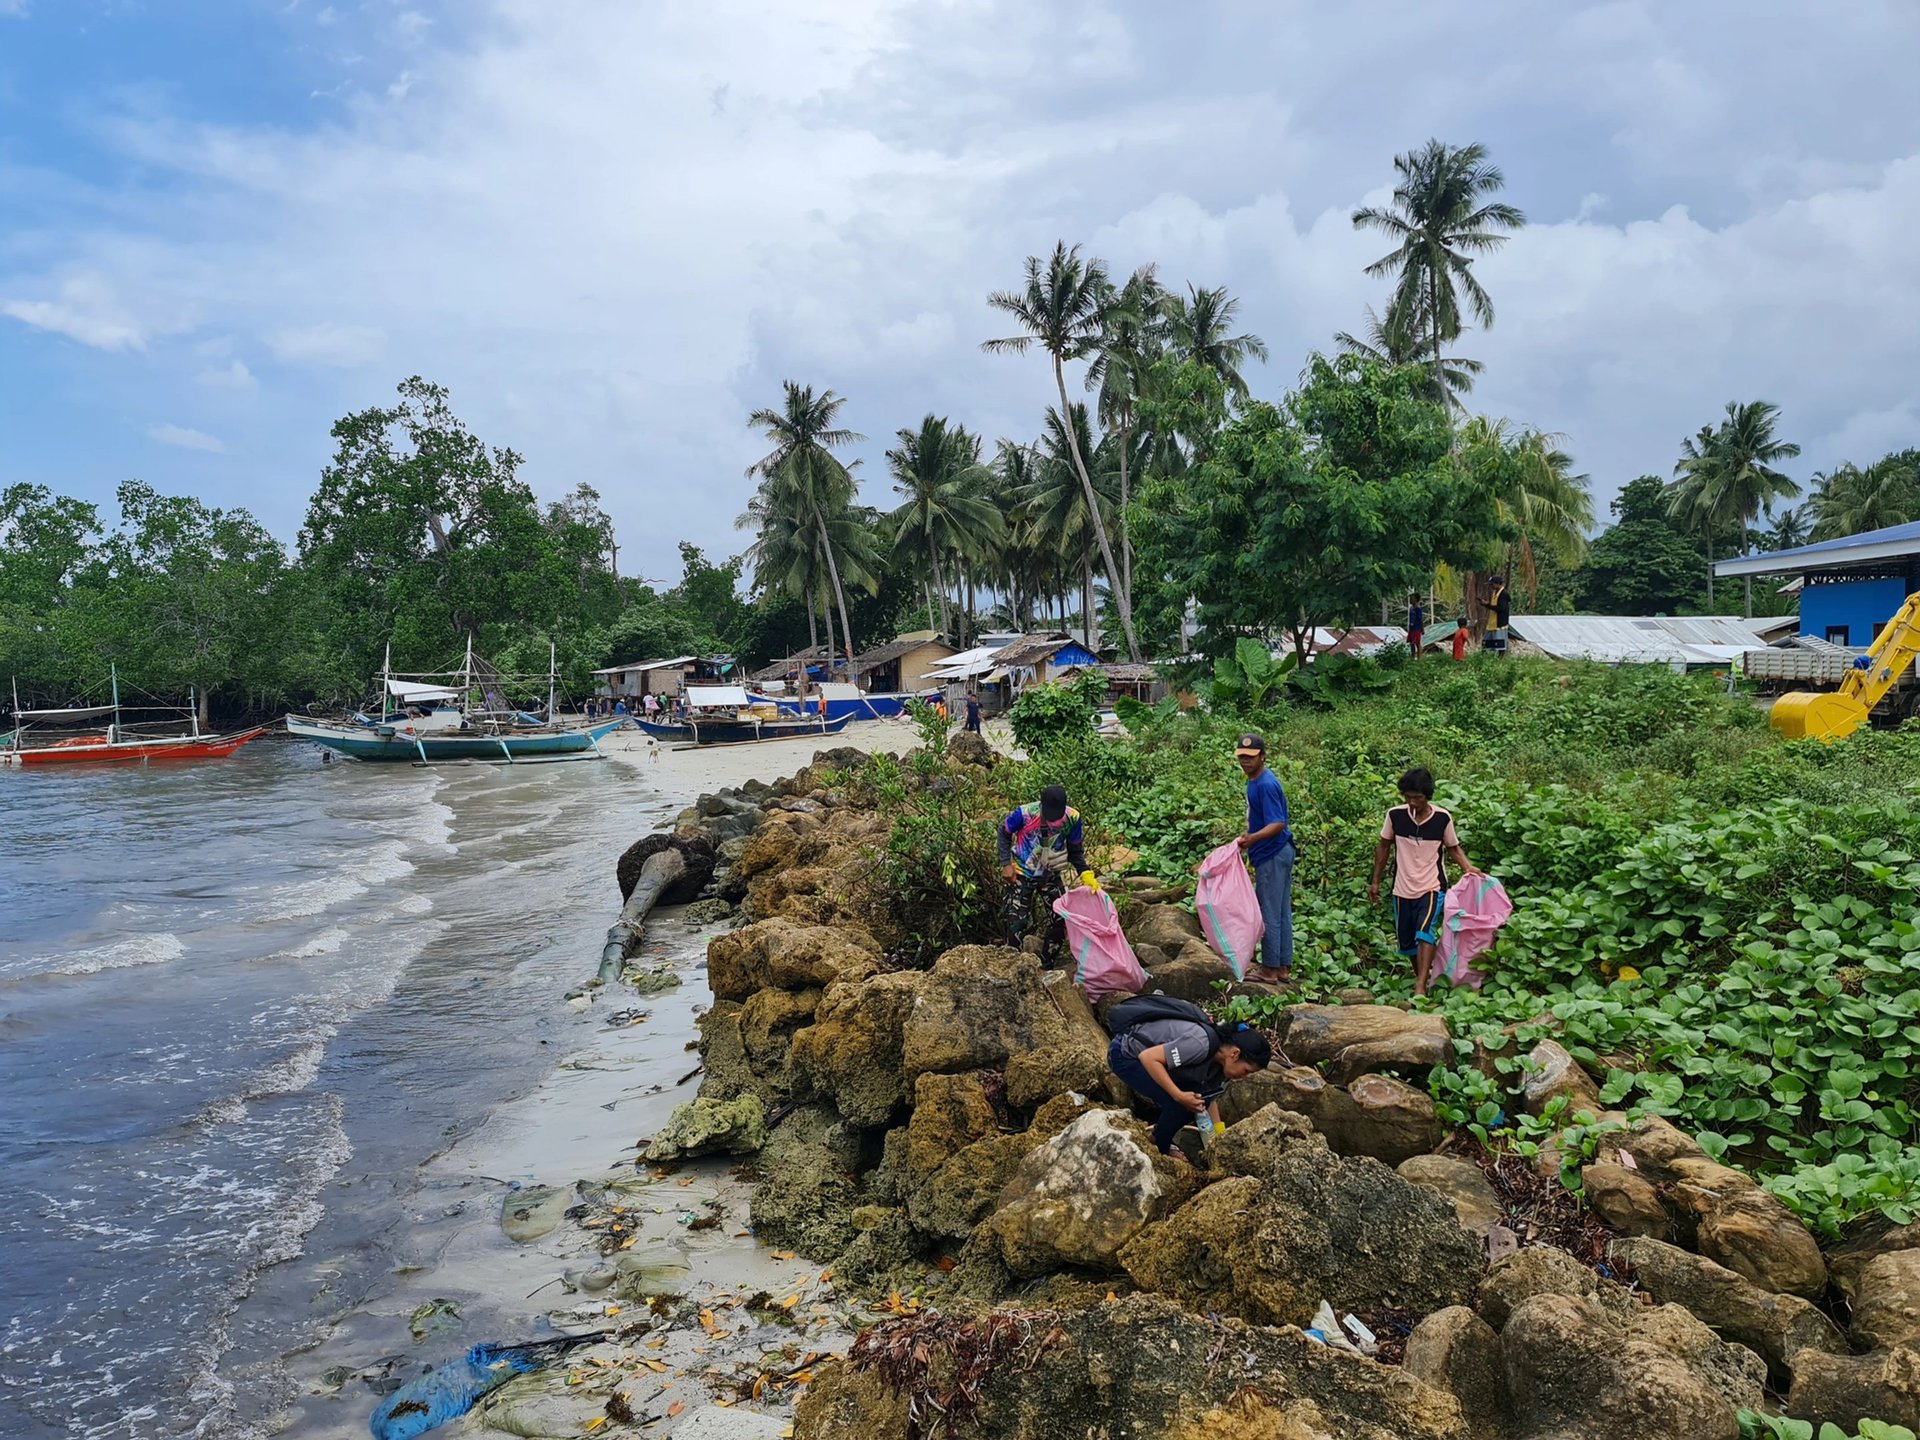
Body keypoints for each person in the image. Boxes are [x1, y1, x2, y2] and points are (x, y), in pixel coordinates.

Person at [1369, 767, 1481, 997]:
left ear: (1427, 796)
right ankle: (1421, 973)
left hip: (1432, 885)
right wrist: (1375, 882)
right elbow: (1383, 847)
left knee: (1425, 931)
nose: (1412, 802)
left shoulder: (1442, 818)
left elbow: (1453, 848)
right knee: (1408, 940)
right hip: (1402, 887)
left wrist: (1468, 868)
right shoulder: (1395, 816)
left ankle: (1420, 986)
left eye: (1417, 798)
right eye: (1408, 797)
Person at [1107, 1007, 1271, 1155]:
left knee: (1198, 1099)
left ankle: (1160, 1138)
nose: (1244, 1077)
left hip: (1149, 1059)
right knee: (1180, 1105)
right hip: (1125, 1054)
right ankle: (1160, 1147)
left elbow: (1208, 1098)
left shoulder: (1221, 1065)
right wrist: (1178, 1095)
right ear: (1235, 1054)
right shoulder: (1200, 1044)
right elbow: (1148, 1057)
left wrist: (1219, 1136)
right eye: (1246, 1071)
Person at [999, 783, 1085, 965]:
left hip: (1050, 874)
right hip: (1022, 872)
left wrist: (1085, 873)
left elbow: (1075, 850)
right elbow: (1004, 832)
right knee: (1017, 922)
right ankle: (1012, 965)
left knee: (1062, 918)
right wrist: (1006, 864)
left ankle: (1047, 966)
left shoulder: (1072, 818)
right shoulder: (1024, 813)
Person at [1234, 734, 1295, 985]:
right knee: (1280, 910)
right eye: (1242, 758)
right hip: (1276, 851)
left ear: (1262, 756)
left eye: (1250, 757)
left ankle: (1269, 969)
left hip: (1273, 852)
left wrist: (1253, 838)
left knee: (1269, 910)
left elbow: (1278, 823)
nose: (1245, 762)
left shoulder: (1265, 784)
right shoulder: (1255, 780)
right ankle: (1282, 966)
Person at [1483, 575, 1511, 656]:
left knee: (1500, 643)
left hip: (1499, 623)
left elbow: (1501, 609)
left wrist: (1487, 605)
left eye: (1492, 584)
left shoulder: (1503, 594)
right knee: (1486, 642)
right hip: (1492, 622)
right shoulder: (1494, 593)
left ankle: (1500, 659)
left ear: (1498, 584)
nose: (1491, 586)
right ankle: (1485, 657)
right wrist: (1487, 605)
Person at [1406, 592, 1425, 658]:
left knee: (1417, 643)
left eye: (1412, 598)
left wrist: (1422, 629)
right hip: (1411, 628)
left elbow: (1420, 619)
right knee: (1411, 643)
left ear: (1416, 599)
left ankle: (1419, 657)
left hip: (1417, 628)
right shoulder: (1411, 608)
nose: (1410, 600)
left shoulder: (1418, 609)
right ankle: (1412, 656)